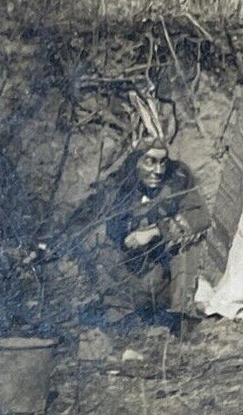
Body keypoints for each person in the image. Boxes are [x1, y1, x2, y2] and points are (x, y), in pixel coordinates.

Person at [86, 138, 210, 331]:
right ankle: (120, 314)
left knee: (188, 242)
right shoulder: (117, 188)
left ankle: (181, 316)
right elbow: (83, 218)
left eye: (162, 162)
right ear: (136, 161)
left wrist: (157, 230)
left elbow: (199, 216)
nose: (158, 171)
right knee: (94, 242)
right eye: (150, 161)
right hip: (129, 274)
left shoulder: (176, 179)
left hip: (164, 277)